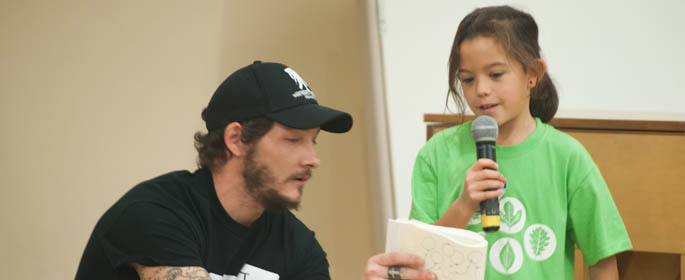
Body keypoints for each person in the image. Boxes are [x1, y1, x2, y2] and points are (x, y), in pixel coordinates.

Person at [75, 61, 433, 280]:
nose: (313, 159)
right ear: (236, 139)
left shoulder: (298, 247)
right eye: (293, 140)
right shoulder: (155, 214)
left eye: (314, 141)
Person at [409, 6, 632, 279]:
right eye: (468, 79)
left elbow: (602, 260)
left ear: (532, 74)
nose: (480, 90)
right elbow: (418, 262)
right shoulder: (436, 154)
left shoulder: (567, 157)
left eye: (495, 75)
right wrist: (465, 205)